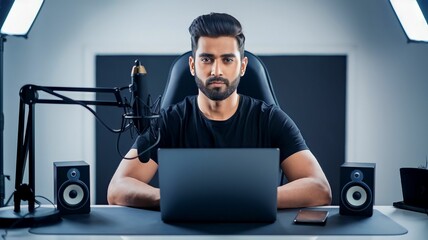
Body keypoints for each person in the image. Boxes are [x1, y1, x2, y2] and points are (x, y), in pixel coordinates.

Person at [107, 12, 331, 209]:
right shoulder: (168, 122)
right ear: (193, 65)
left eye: (227, 60)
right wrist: (172, 199)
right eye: (206, 59)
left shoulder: (271, 119)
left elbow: (319, 188)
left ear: (242, 66)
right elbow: (117, 188)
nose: (216, 70)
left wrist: (243, 200)